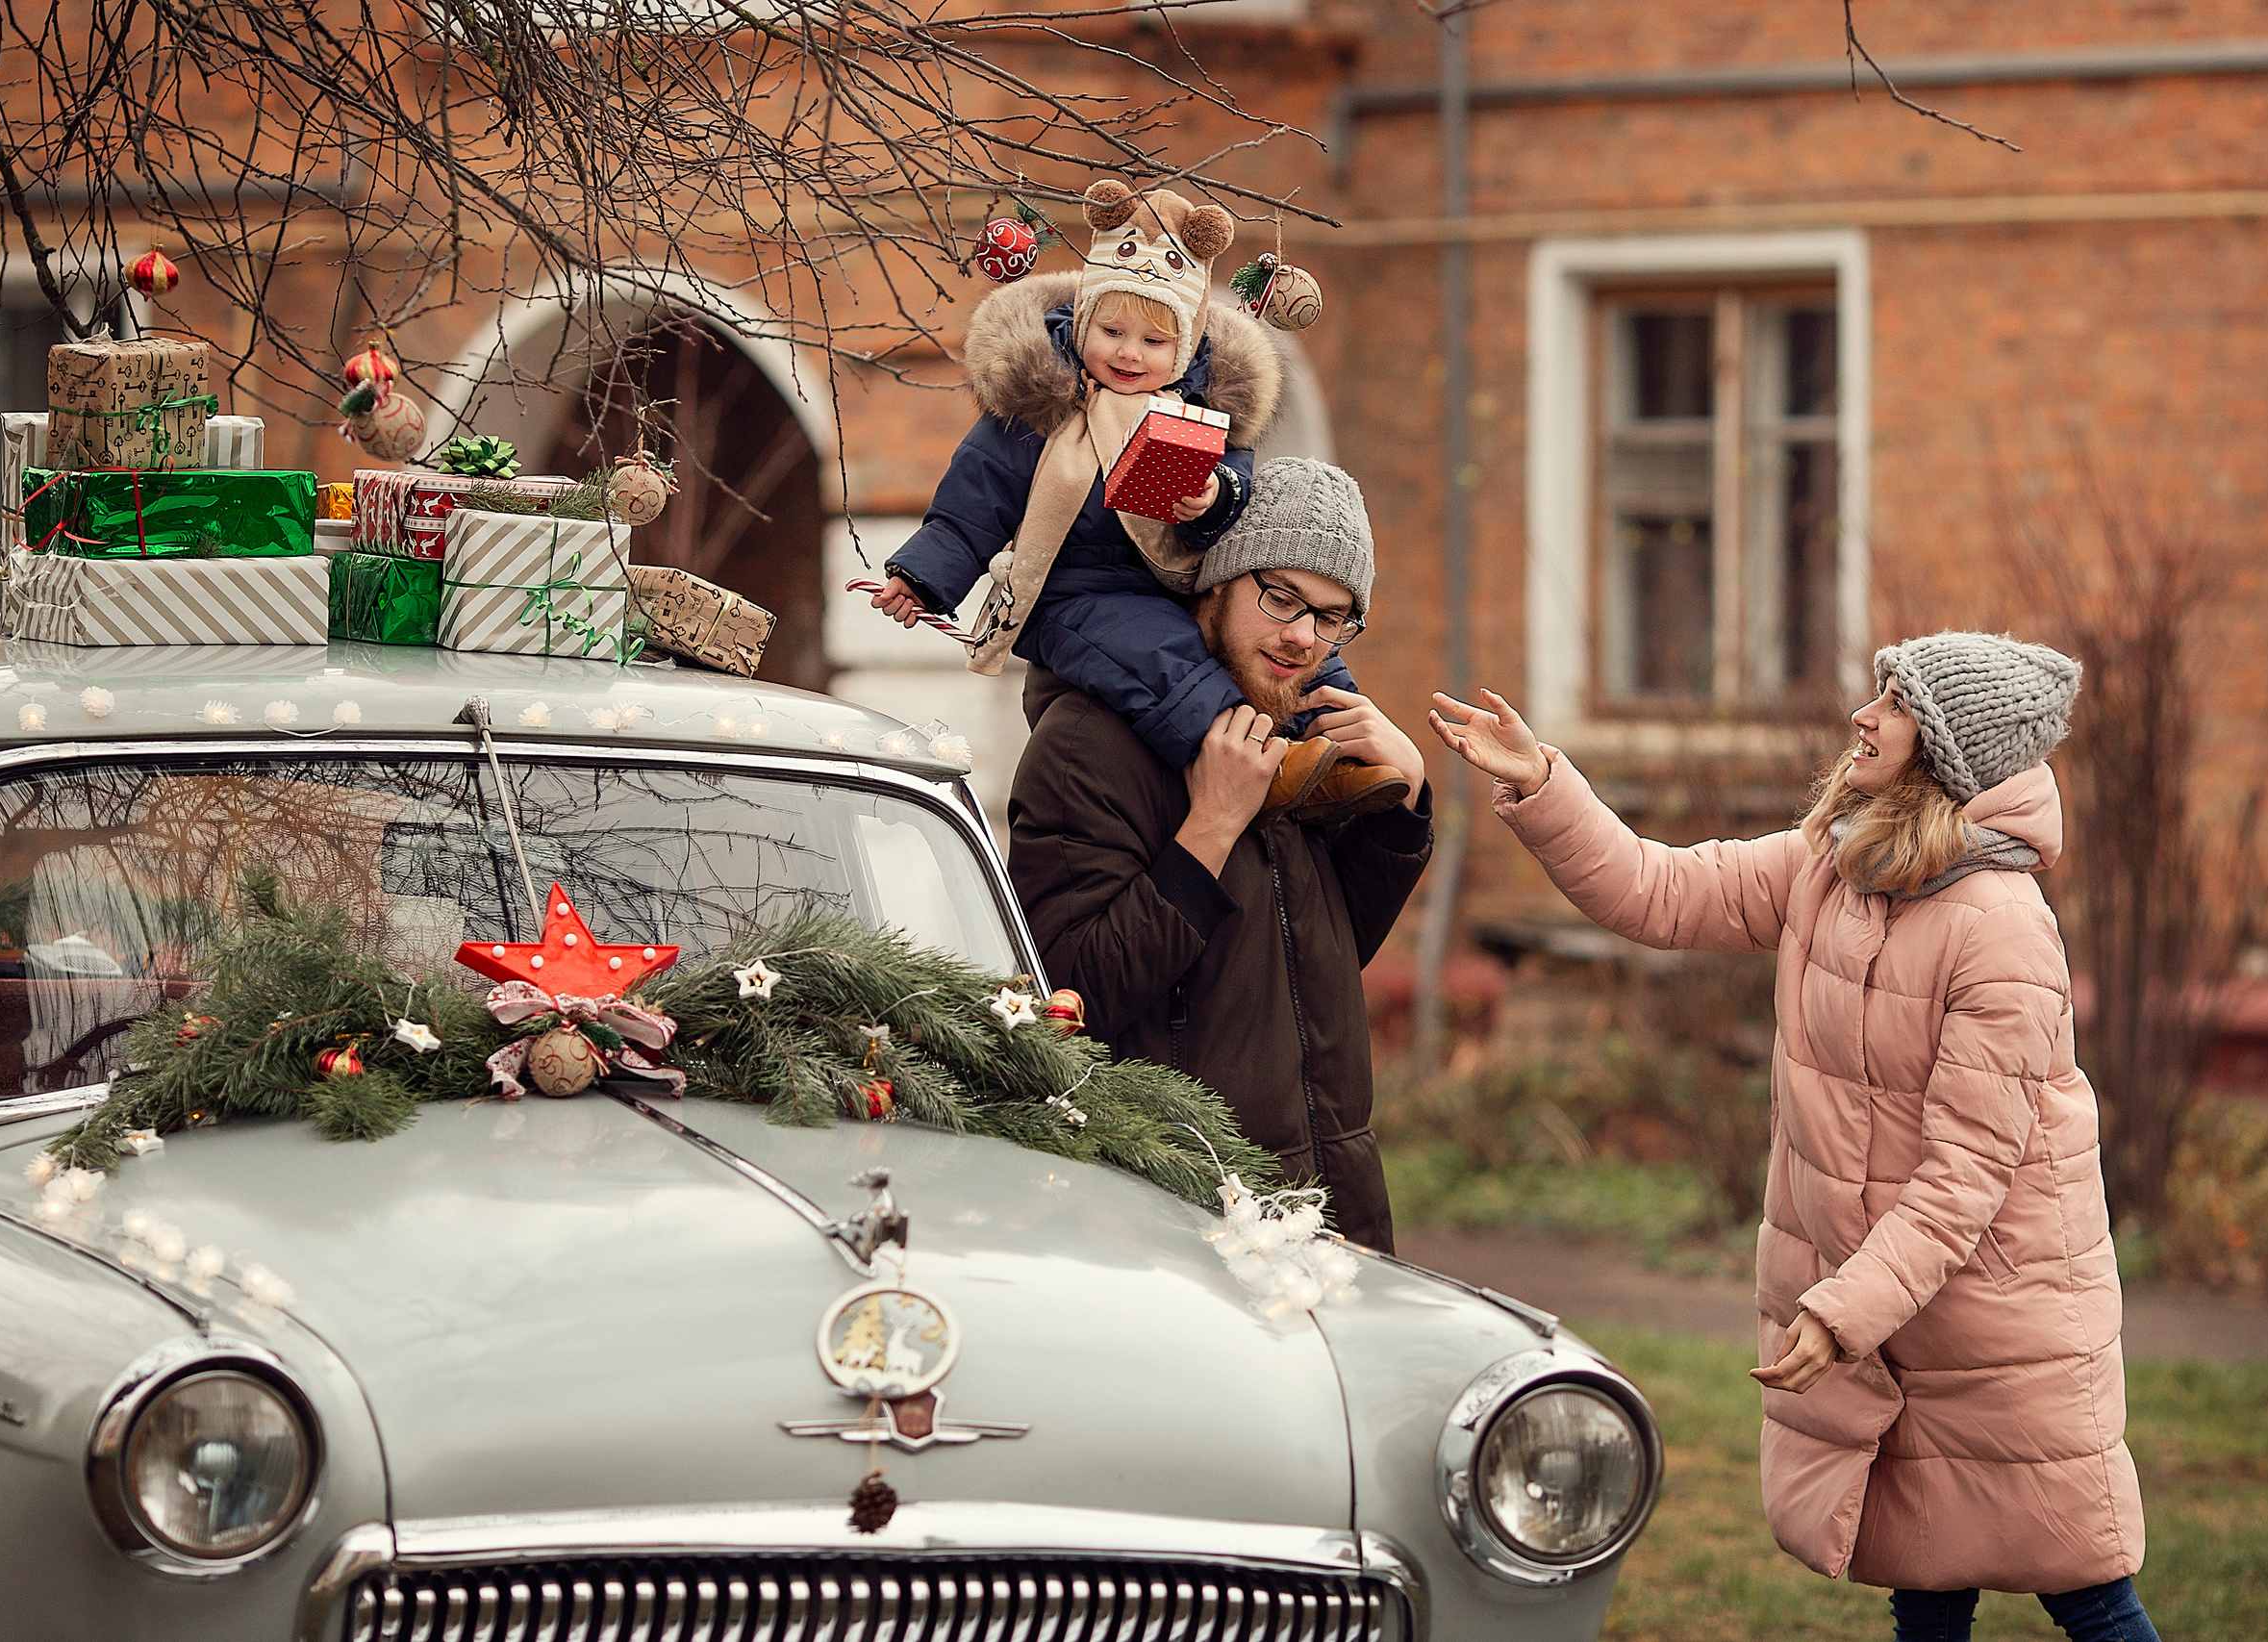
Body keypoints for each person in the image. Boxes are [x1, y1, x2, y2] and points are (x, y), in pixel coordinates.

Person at [1429, 634, 2156, 1642]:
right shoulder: (1835, 865)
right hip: (1884, 1304)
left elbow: (1966, 1176)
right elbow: (1659, 891)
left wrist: (1842, 1309)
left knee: (2087, 1595)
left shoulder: (2001, 927)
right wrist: (1546, 784)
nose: (1863, 716)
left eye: (1894, 705)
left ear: (1944, 754)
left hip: (2001, 1315)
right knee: (1925, 1581)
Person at [870, 180, 1406, 823]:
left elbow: (1237, 479)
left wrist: (1211, 497)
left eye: (1154, 343)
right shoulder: (1043, 410)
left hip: (1176, 576)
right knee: (1162, 656)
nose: (1129, 352)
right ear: (1082, 322)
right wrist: (923, 577)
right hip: (1079, 593)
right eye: (1113, 331)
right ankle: (1257, 756)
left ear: (1182, 349)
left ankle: (1346, 757)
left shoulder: (1198, 409)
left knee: (1299, 645)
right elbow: (972, 500)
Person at [1007, 460, 1429, 1250]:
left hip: (1330, 1199)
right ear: (1216, 582)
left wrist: (1399, 804)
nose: (1303, 636)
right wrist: (1209, 830)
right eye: (1281, 597)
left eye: (1333, 617)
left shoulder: (1295, 733)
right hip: (1176, 1215)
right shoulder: (1085, 747)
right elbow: (1069, 998)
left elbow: (1317, 960)